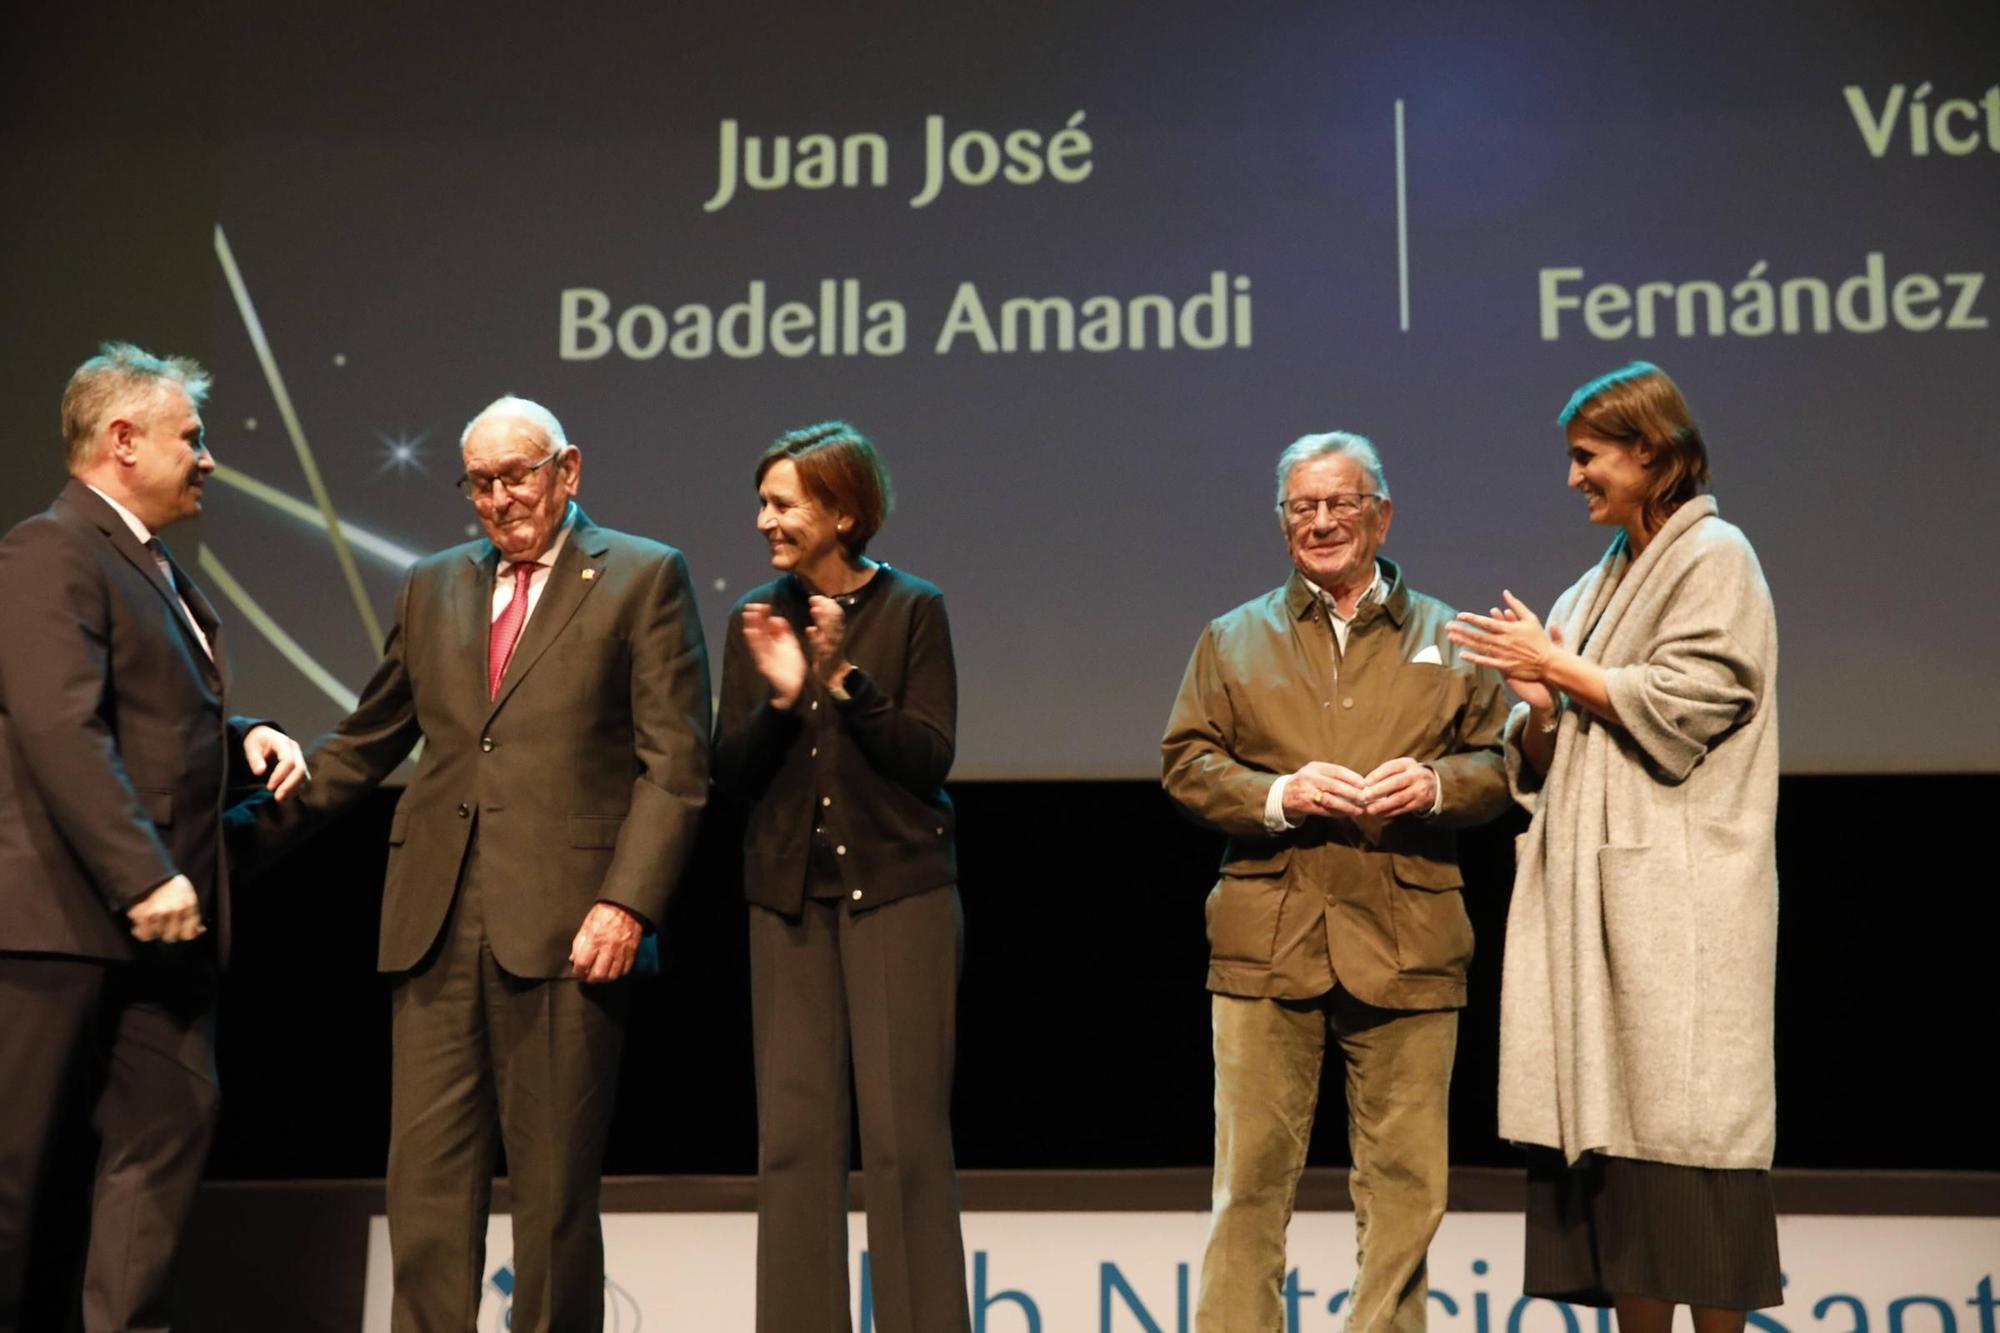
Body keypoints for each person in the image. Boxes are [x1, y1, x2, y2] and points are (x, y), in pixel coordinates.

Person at [232, 395, 711, 1333]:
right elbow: (366, 742)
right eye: (479, 483)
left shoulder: (643, 576)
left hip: (573, 931)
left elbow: (678, 764)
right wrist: (231, 841)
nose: (497, 500)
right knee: (426, 1201)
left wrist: (627, 904)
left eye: (516, 475)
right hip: (436, 929)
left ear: (567, 470)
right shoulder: (432, 583)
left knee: (553, 1203)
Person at [1447, 362, 1782, 1333]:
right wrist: (1542, 708)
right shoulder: (1589, 589)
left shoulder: (1715, 557)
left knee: (1690, 1168)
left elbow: (1697, 699)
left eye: (1586, 458)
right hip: (1592, 925)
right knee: (1619, 1186)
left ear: (1650, 452)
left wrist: (1561, 666)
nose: (1572, 479)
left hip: (1676, 914)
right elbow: (1550, 754)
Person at [1163, 431, 1510, 1333]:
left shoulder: (1451, 634)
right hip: (1266, 940)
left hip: (1409, 939)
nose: (1322, 521)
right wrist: (1277, 793)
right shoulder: (1231, 637)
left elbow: (1502, 763)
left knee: (1405, 1196)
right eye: (1302, 507)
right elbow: (1187, 763)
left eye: (1341, 502)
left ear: (1381, 514)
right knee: (1248, 1189)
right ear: (1283, 525)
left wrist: (1436, 785)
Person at [0, 343, 307, 1333]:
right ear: (123, 441)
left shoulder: (145, 562)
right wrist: (143, 872)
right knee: (14, 1168)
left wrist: (242, 730)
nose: (209, 457)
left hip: (153, 936)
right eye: (194, 437)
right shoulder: (52, 547)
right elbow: (59, 722)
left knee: (170, 1119)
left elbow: (145, 706)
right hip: (62, 915)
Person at [713, 422, 970, 1333]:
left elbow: (928, 757)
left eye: (782, 504)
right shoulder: (757, 613)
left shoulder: (913, 609)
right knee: (794, 1144)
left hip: (900, 896)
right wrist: (784, 696)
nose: (764, 521)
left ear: (843, 511)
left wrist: (846, 680)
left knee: (904, 1146)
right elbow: (729, 773)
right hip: (787, 904)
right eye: (765, 503)